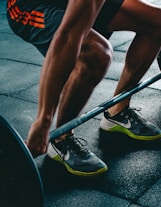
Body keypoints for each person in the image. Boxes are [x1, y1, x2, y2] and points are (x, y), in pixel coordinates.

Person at [7, 0, 161, 177]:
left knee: (156, 22)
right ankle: (61, 138)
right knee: (97, 53)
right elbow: (68, 37)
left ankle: (117, 111)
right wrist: (43, 121)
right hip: (31, 5)